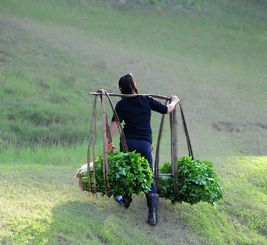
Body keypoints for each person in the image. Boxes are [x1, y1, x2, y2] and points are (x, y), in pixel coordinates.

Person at [108, 73, 179, 226]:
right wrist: (174, 101)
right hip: (145, 143)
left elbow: (114, 125)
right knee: (148, 173)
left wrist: (108, 142)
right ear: (134, 86)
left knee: (128, 168)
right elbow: (167, 109)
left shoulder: (121, 105)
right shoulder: (146, 99)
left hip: (128, 142)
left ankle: (126, 199)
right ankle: (152, 213)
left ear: (121, 89)